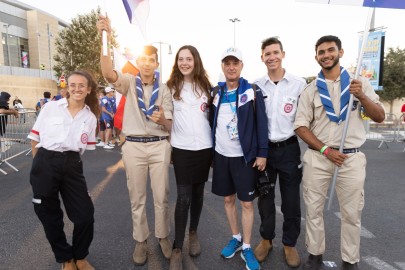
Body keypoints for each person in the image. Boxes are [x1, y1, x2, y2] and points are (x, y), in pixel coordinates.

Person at [294, 35, 385, 270]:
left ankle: (350, 260)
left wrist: (362, 96)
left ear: (340, 52)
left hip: (351, 157)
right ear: (316, 57)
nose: (326, 55)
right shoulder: (311, 89)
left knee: (352, 213)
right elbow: (301, 126)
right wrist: (325, 150)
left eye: (330, 50)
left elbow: (379, 117)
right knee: (313, 209)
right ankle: (314, 255)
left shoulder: (359, 84)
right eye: (321, 52)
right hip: (319, 156)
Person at [97, 15, 174, 266]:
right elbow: (107, 72)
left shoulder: (165, 90)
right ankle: (141, 240)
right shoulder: (130, 83)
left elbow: (171, 125)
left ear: (157, 62)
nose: (147, 64)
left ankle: (162, 236)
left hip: (159, 144)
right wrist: (105, 36)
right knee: (137, 197)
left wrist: (162, 119)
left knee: (161, 195)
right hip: (134, 146)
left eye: (151, 60)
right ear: (138, 62)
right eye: (143, 60)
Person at [27, 70, 100, 270]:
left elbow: (83, 149)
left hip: (72, 164)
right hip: (45, 161)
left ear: (89, 89)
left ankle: (80, 257)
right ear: (67, 87)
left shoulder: (91, 117)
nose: (77, 88)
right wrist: (39, 166)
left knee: (85, 215)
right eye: (73, 85)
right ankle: (66, 259)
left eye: (81, 85)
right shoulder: (51, 107)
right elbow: (35, 139)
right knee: (49, 214)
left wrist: (69, 163)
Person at [209, 47, 268, 270]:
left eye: (235, 63)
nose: (231, 67)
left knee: (247, 203)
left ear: (242, 65)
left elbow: (262, 124)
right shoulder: (216, 92)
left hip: (245, 158)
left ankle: (246, 246)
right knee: (227, 200)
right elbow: (210, 122)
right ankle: (235, 237)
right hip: (222, 156)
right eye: (227, 63)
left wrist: (262, 153)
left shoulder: (252, 91)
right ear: (222, 66)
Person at [252, 37, 306, 268]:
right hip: (264, 151)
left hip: (289, 149)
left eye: (275, 52)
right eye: (267, 53)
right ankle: (266, 239)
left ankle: (289, 243)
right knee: (265, 198)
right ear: (262, 57)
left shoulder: (299, 83)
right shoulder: (256, 85)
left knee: (291, 201)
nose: (272, 57)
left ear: (283, 54)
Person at [166, 45, 213, 270]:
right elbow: (166, 119)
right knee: (183, 197)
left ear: (196, 61)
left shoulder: (207, 87)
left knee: (198, 194)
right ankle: (177, 247)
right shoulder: (170, 87)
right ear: (177, 62)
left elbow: (212, 117)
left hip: (204, 148)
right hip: (182, 149)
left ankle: (193, 233)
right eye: (181, 59)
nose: (184, 63)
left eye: (189, 59)